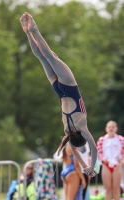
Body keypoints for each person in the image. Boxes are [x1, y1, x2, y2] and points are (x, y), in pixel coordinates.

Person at [20, 12, 97, 177]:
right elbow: (74, 149)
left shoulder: (82, 128)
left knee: (49, 55)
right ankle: (27, 33)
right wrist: (85, 165)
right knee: (43, 58)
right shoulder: (68, 129)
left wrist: (91, 166)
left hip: (69, 86)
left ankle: (34, 29)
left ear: (82, 137)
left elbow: (94, 148)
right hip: (58, 90)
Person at [97, 120, 124, 200]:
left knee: (116, 188)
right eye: (109, 127)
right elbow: (98, 152)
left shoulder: (121, 139)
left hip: (117, 165)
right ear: (106, 129)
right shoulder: (102, 140)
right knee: (108, 189)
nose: (111, 129)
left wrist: (121, 158)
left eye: (113, 127)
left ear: (116, 128)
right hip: (106, 165)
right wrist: (103, 159)